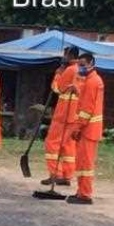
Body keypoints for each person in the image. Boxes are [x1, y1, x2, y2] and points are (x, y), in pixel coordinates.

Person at [66, 52, 104, 205]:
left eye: (82, 65)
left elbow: (86, 109)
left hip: (87, 129)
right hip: (91, 129)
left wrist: (77, 128)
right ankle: (81, 191)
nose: (80, 68)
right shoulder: (93, 80)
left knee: (85, 164)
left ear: (91, 63)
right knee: (83, 163)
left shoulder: (91, 82)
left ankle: (85, 194)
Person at [43, 47, 80, 186]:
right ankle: (67, 175)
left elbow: (58, 88)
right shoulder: (81, 70)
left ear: (69, 55)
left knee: (52, 142)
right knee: (69, 145)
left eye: (65, 54)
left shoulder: (69, 70)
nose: (63, 57)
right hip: (75, 114)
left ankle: (54, 174)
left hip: (64, 112)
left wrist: (58, 74)